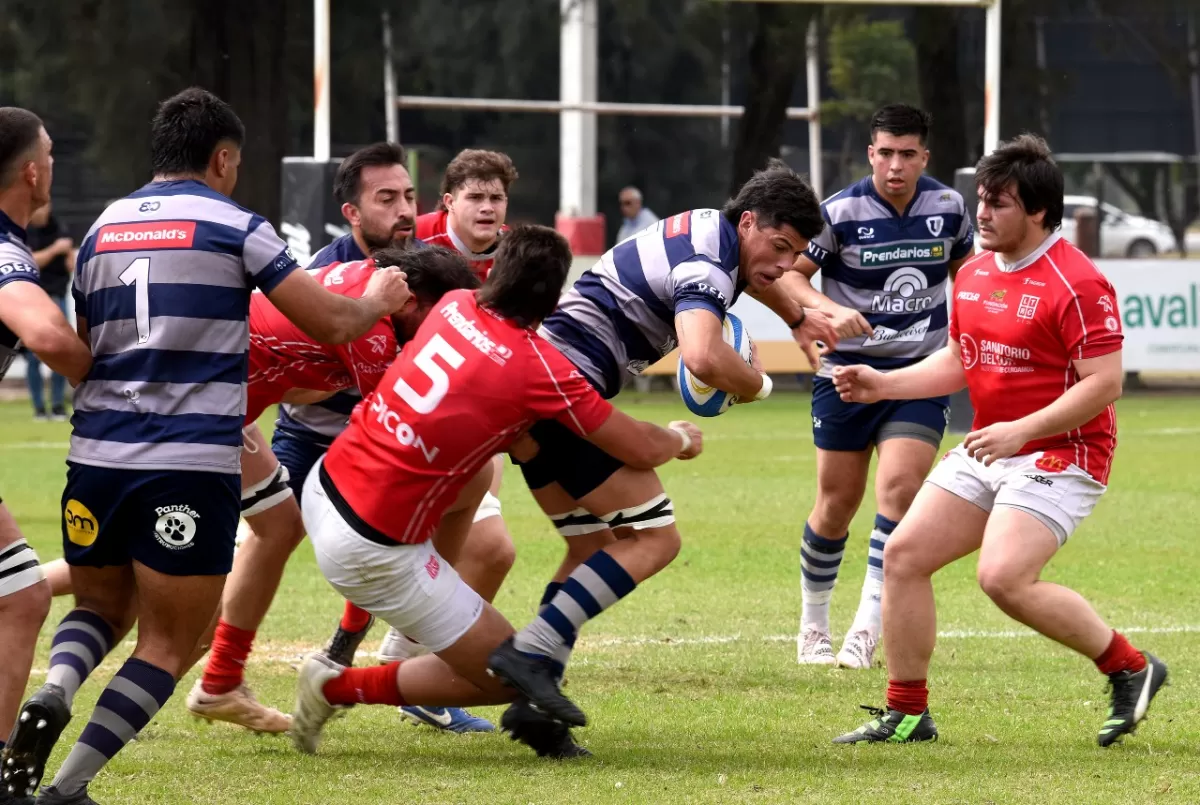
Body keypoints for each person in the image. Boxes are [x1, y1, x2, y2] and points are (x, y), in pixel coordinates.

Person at [2, 87, 411, 805]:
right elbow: (332, 322)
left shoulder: (103, 226)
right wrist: (379, 298)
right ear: (223, 158)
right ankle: (68, 787)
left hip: (94, 456)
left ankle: (55, 687)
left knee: (98, 608)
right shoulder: (235, 224)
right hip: (185, 463)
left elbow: (86, 339)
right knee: (170, 641)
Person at [289, 224, 704, 759]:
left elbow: (492, 408)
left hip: (325, 484)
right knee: (504, 678)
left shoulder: (454, 304)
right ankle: (335, 686)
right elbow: (641, 448)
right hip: (370, 550)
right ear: (554, 301)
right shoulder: (539, 366)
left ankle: (378, 631)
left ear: (496, 273)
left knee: (479, 482)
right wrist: (677, 438)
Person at [832, 134, 1167, 746]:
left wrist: (1024, 430)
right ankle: (907, 713)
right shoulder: (975, 272)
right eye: (982, 199)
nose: (982, 212)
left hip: (1063, 455)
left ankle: (1132, 668)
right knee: (903, 557)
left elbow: (1105, 383)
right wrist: (884, 385)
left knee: (1003, 578)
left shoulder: (1077, 282)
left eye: (1001, 203)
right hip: (993, 447)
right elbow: (960, 361)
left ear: (1038, 211)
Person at [486, 160, 838, 727]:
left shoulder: (714, 234)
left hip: (544, 391)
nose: (782, 264)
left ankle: (535, 705)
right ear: (748, 222)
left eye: (793, 253)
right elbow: (700, 354)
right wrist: (757, 382)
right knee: (655, 539)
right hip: (566, 392)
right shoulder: (709, 264)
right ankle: (528, 652)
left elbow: (758, 278)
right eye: (778, 246)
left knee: (588, 547)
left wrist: (797, 316)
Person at [225, 141, 509, 735]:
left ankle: (382, 658)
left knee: (487, 535)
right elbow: (358, 395)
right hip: (305, 432)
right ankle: (224, 675)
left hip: (328, 423)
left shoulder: (416, 266)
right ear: (351, 213)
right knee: (219, 563)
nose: (405, 211)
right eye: (387, 199)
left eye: (409, 196)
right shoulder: (355, 286)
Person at [183, 246, 479, 735]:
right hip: (198, 411)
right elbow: (402, 424)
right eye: (436, 318)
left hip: (220, 402)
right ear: (408, 300)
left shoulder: (365, 280)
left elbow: (300, 382)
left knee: (278, 528)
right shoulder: (375, 326)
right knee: (140, 588)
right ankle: (31, 594)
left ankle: (222, 680)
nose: (438, 333)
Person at [766, 105, 976, 669]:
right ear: (871, 155)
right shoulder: (839, 212)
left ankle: (867, 627)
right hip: (848, 376)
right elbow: (789, 277)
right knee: (836, 505)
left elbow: (969, 276)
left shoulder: (950, 208)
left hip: (917, 375)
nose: (896, 166)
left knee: (901, 491)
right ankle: (813, 625)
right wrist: (829, 310)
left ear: (924, 157)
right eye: (886, 153)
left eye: (908, 154)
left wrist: (974, 334)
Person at [0, 107, 89, 805]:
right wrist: (119, 380)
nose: (53, 165)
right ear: (32, 171)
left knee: (22, 592)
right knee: (23, 595)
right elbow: (50, 337)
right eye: (51, 154)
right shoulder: (6, 252)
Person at [416, 148, 516, 280]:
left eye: (496, 198)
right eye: (475, 197)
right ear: (450, 202)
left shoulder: (517, 252)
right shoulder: (416, 236)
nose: (487, 208)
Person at [23, 201, 75, 421]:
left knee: (60, 353)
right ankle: (39, 408)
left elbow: (71, 264)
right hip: (32, 298)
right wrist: (55, 250)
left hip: (57, 298)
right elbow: (30, 261)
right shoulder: (23, 232)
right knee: (34, 356)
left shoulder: (59, 228)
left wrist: (70, 254)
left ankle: (57, 406)